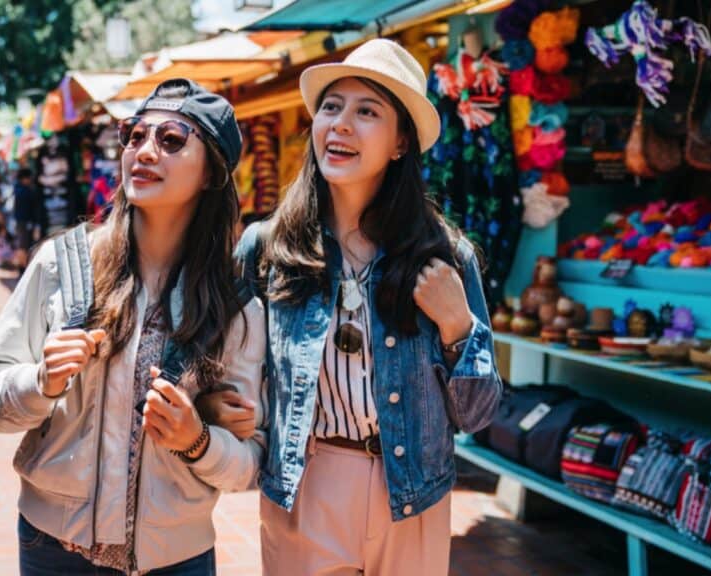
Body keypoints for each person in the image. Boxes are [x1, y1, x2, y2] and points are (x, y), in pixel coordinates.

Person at [215, 39, 503, 576]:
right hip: (307, 484)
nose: (340, 124)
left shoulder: (445, 256)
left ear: (399, 143)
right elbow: (215, 355)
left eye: (366, 111)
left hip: (413, 492)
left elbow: (479, 415)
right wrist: (216, 404)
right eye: (331, 107)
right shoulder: (267, 249)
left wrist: (458, 327)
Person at [0, 78, 266, 576]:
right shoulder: (61, 263)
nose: (144, 151)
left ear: (212, 171)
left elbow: (249, 461)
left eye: (171, 140)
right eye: (134, 135)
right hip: (54, 550)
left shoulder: (234, 305)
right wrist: (40, 383)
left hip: (176, 558)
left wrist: (198, 440)